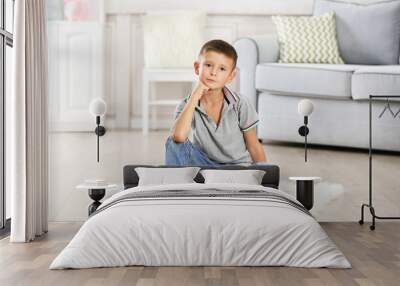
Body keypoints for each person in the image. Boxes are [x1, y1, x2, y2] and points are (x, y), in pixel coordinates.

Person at [165, 39, 267, 166]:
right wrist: (194, 97)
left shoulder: (241, 104)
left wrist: (264, 174)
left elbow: (254, 145)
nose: (213, 73)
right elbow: (178, 137)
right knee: (172, 141)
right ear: (197, 68)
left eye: (222, 69)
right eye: (208, 65)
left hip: (236, 166)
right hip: (204, 165)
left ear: (231, 76)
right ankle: (184, 182)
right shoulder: (187, 104)